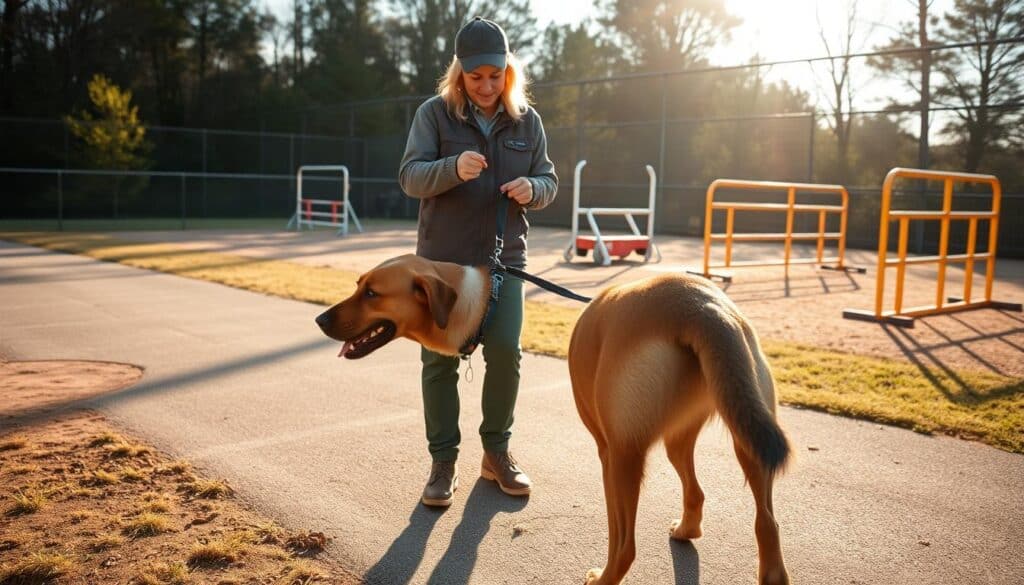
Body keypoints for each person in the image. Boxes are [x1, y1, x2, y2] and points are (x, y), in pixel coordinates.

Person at [398, 16, 558, 507]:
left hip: (504, 262)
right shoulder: (434, 114)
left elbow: (549, 182)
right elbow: (409, 176)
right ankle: (443, 461)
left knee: (506, 353)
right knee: (439, 361)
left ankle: (497, 453)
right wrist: (452, 168)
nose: (486, 86)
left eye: (495, 75)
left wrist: (534, 190)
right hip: (442, 267)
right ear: (459, 73)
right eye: (475, 76)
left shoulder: (528, 121)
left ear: (509, 71)